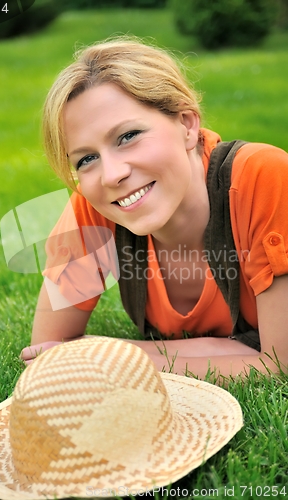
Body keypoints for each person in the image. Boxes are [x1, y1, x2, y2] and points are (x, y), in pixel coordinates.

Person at [21, 36, 288, 380]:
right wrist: (232, 351)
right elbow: (46, 353)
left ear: (187, 124)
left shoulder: (262, 177)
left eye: (128, 136)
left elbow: (279, 363)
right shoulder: (96, 205)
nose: (112, 175)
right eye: (87, 159)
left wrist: (114, 354)